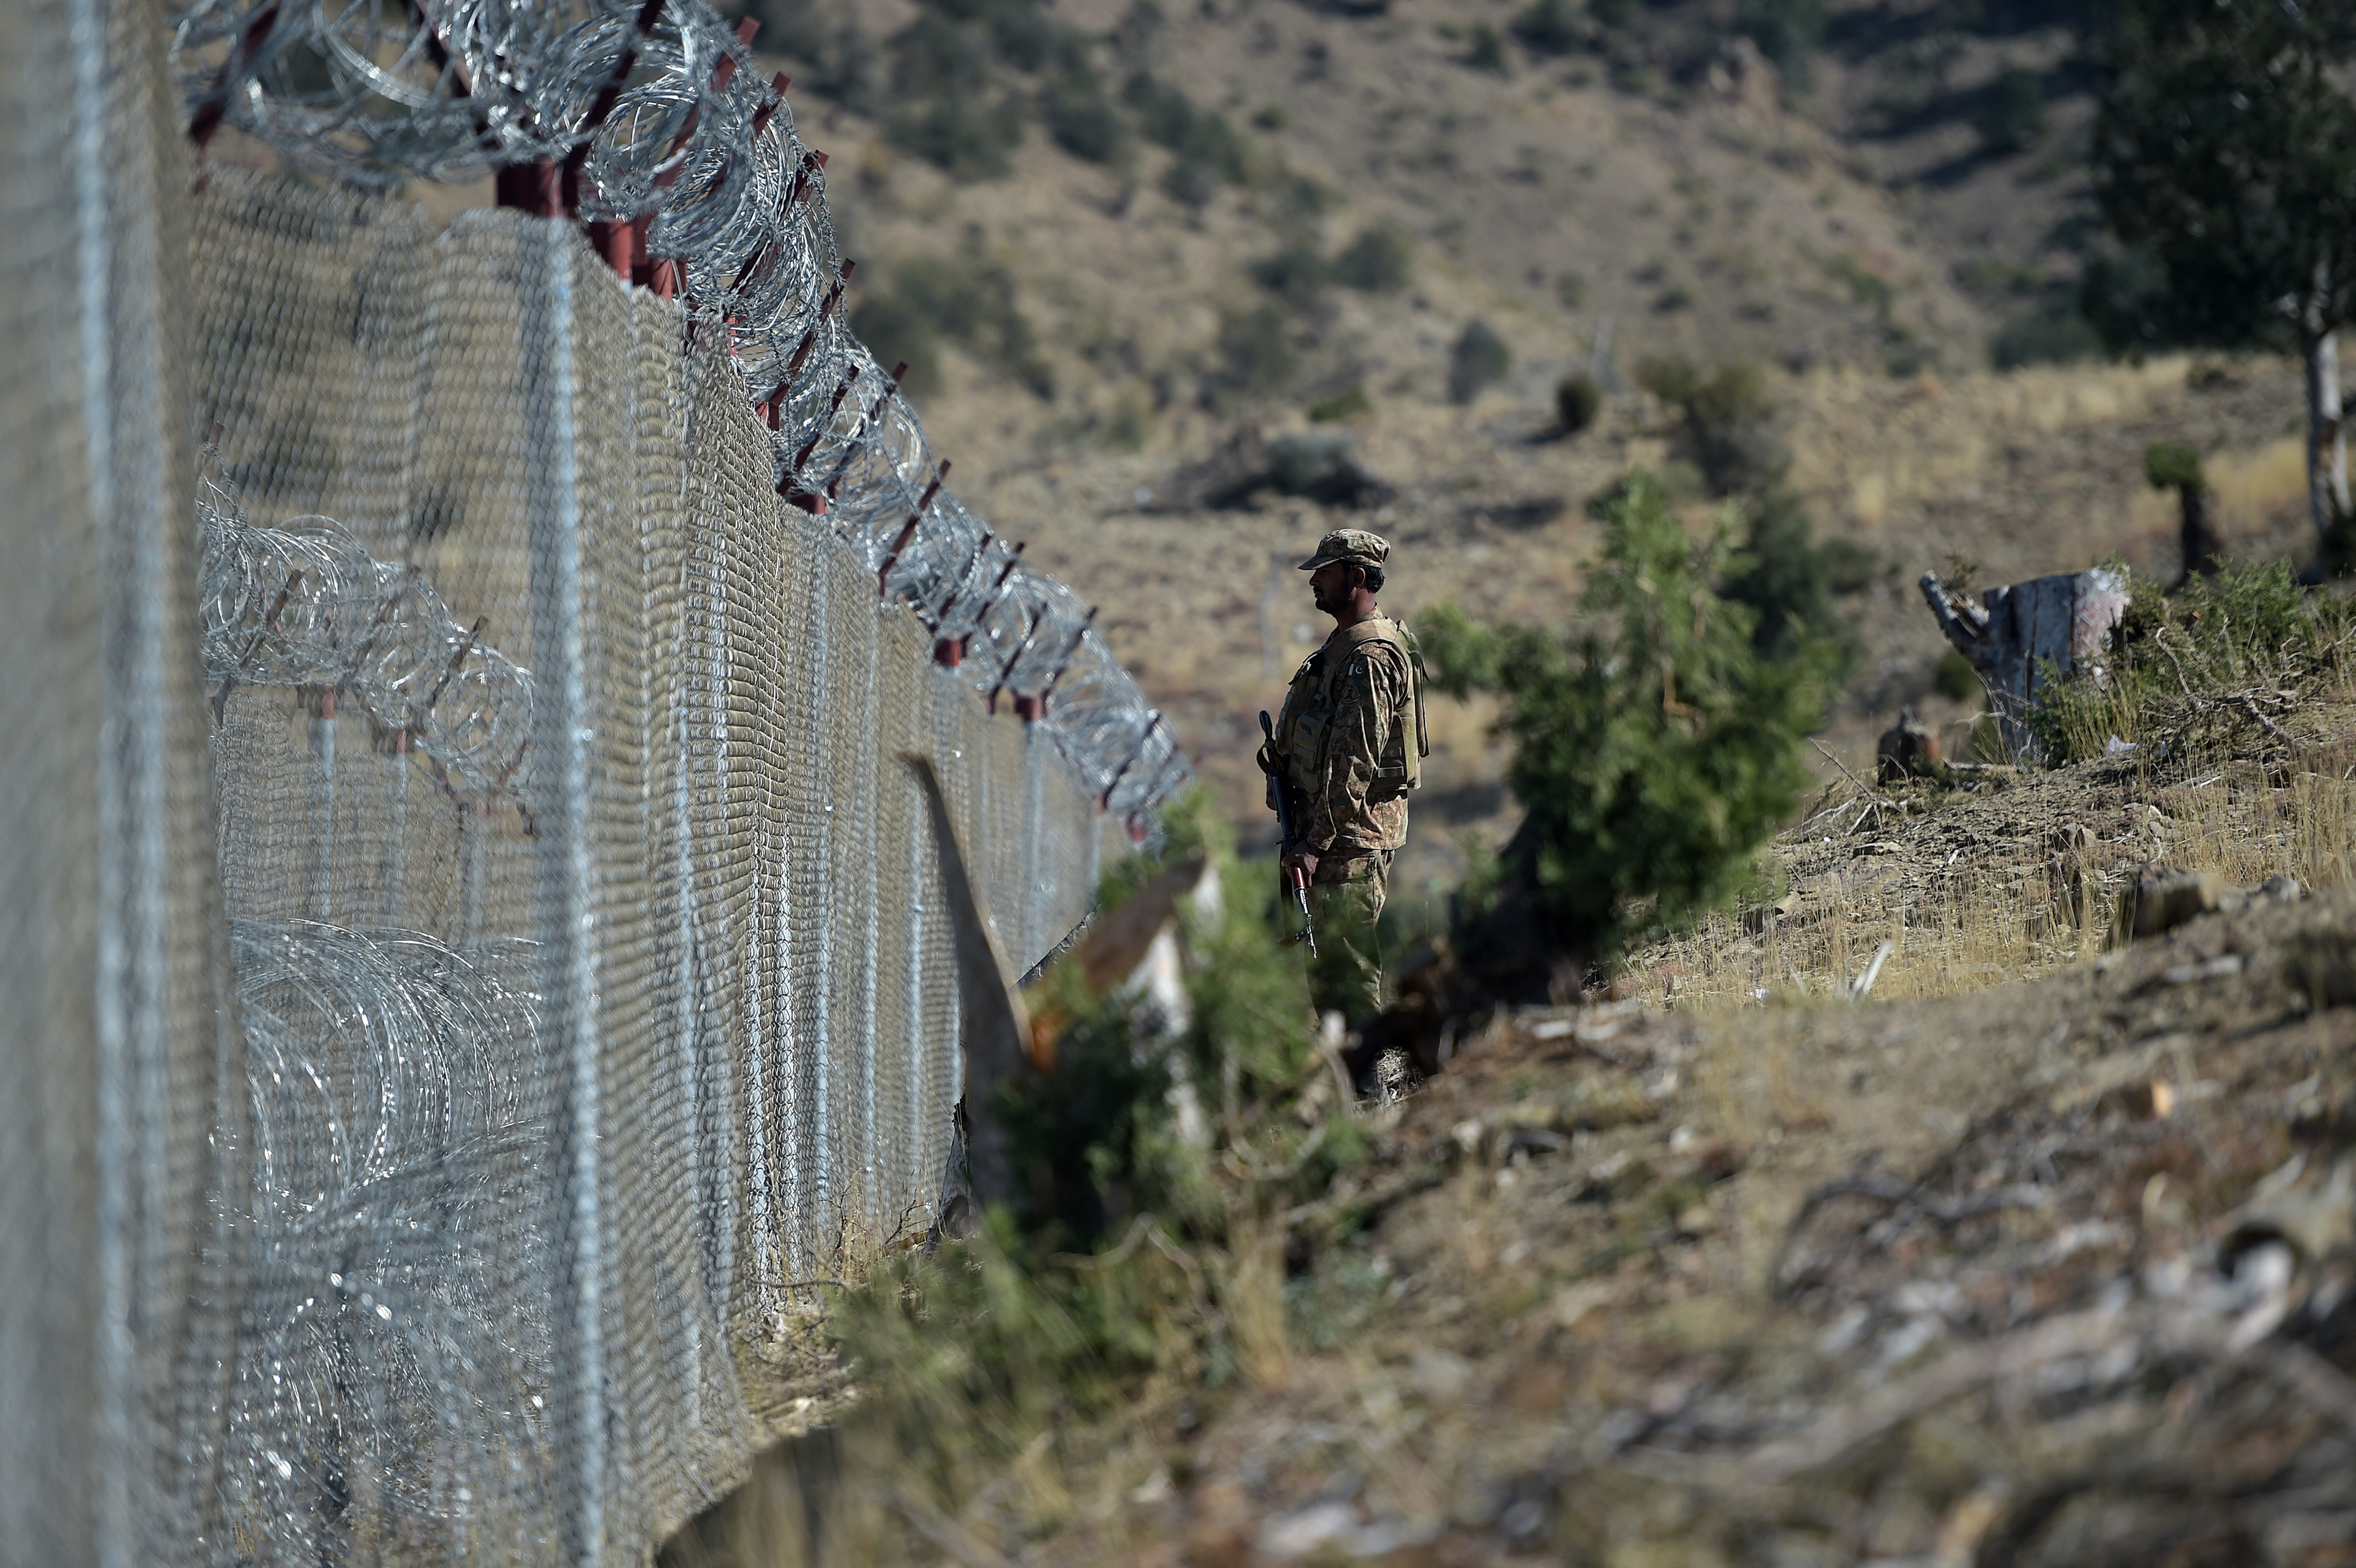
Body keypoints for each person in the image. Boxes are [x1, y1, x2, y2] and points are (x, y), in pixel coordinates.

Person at [1257, 528, 1426, 1050]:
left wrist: (1315, 843)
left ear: (1356, 577)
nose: (1315, 581)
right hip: (1331, 836)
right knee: (1327, 969)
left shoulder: (1371, 658)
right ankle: (1352, 1081)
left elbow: (1355, 761)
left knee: (1349, 968)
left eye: (1325, 572)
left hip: (1350, 839)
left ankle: (1370, 1086)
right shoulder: (1344, 649)